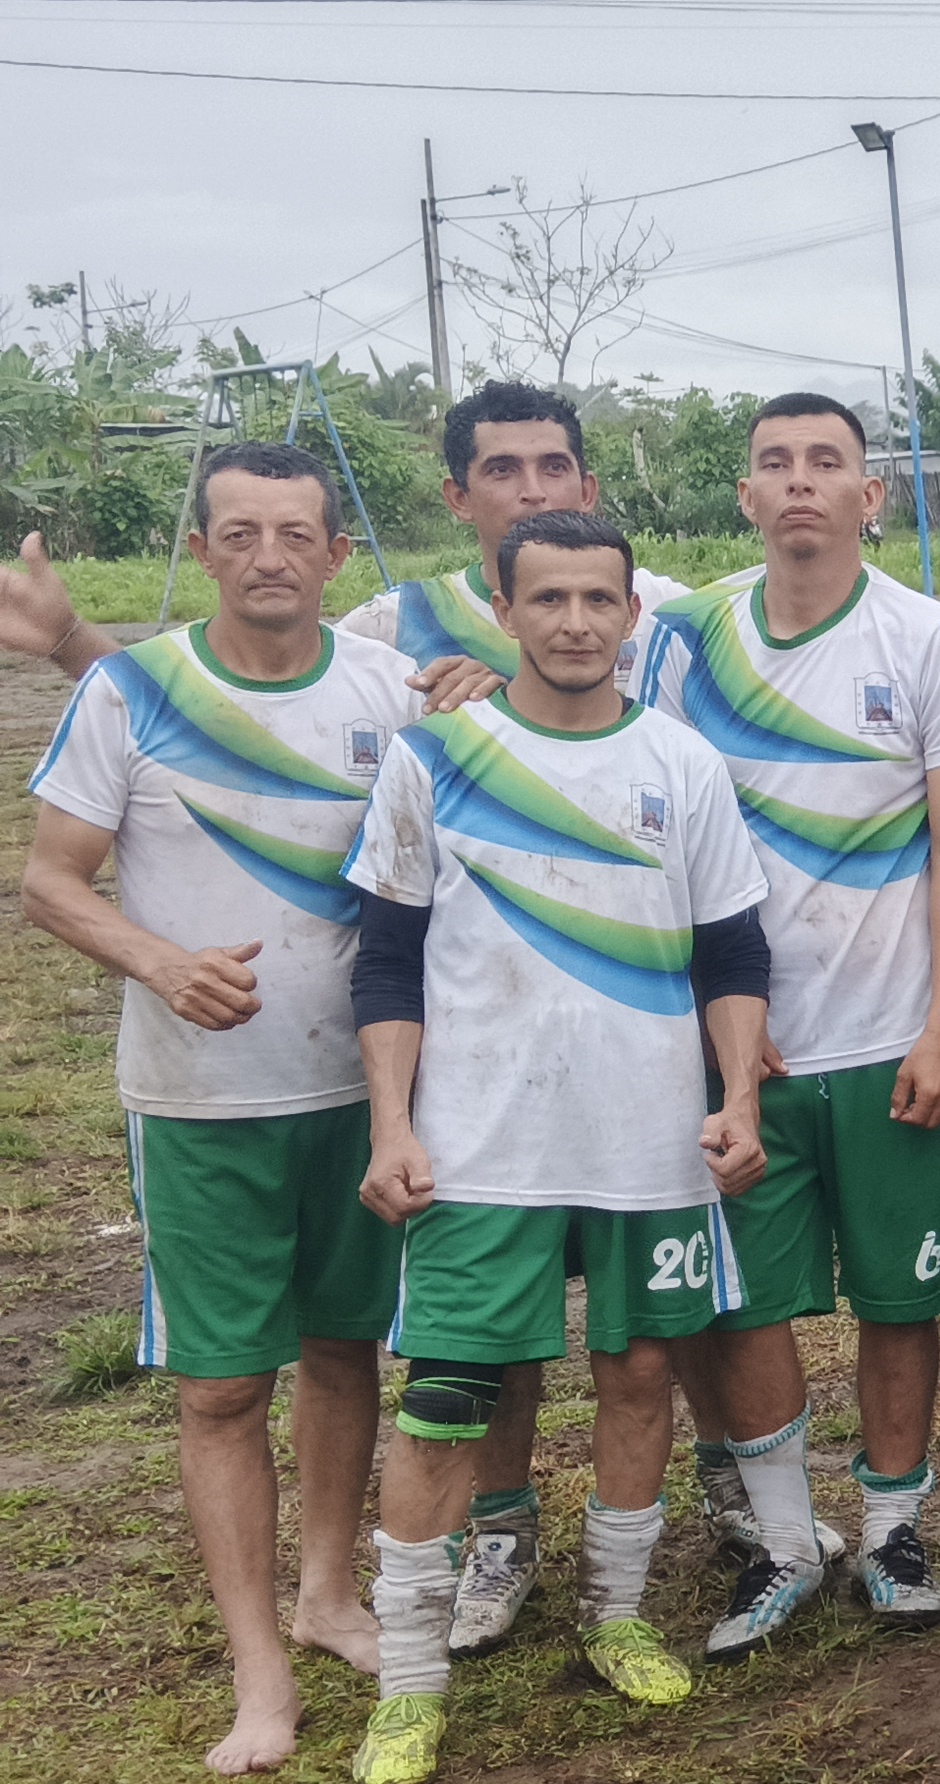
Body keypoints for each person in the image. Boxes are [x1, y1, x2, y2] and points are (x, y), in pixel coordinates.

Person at [340, 509, 773, 1784]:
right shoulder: (434, 758)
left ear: (632, 613)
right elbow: (386, 960)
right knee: (444, 1401)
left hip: (649, 1141)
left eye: (598, 599)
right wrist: (392, 1121)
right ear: (505, 609)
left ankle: (615, 1614)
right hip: (480, 1148)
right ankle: (408, 1687)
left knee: (639, 1374)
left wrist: (739, 1097)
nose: (575, 622)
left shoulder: (682, 761)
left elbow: (733, 950)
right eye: (548, 598)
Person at [18, 444, 419, 1775]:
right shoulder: (131, 692)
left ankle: (328, 1596)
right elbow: (51, 880)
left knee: (345, 1348)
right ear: (198, 550)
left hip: (357, 1093)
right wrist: (159, 960)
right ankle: (259, 1671)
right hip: (197, 1105)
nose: (268, 556)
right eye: (239, 532)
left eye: (294, 533)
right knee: (222, 1386)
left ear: (335, 555)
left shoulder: (388, 691)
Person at [627, 393, 940, 1648]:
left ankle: (892, 1527)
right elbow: (652, 833)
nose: (799, 480)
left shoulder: (929, 637)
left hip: (888, 1033)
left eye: (825, 461)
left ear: (868, 494)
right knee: (751, 1298)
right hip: (746, 1045)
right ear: (744, 494)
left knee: (899, 1293)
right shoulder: (683, 638)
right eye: (774, 462)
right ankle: (784, 1539)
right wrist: (714, 1011)